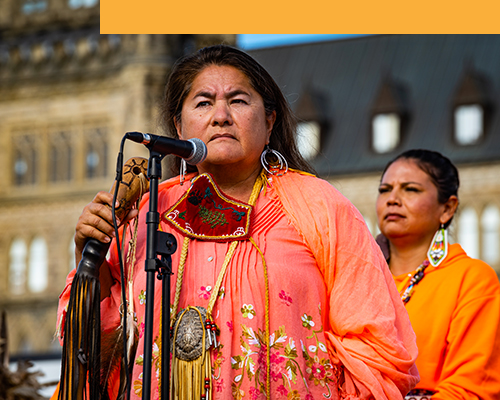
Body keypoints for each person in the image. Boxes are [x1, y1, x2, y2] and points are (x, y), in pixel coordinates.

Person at [55, 45, 419, 399]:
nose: (221, 116)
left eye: (238, 100)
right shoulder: (146, 212)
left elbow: (377, 346)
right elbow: (94, 347)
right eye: (203, 102)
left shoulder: (321, 206)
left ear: (269, 120)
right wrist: (90, 257)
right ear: (179, 128)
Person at [375, 149, 500, 400]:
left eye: (410, 189)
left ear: (447, 208)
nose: (393, 199)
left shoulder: (472, 279)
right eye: (385, 189)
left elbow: (472, 388)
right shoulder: (353, 279)